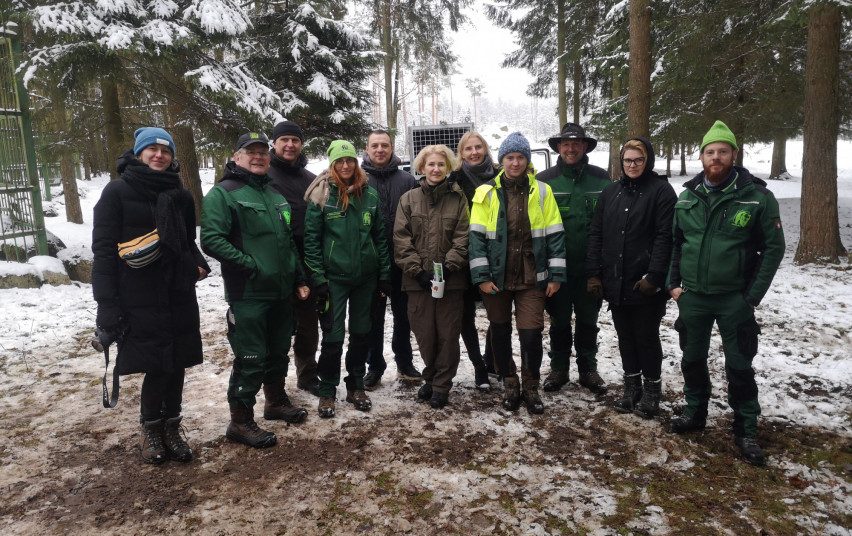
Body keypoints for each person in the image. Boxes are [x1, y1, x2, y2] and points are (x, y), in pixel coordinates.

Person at [668, 120, 785, 466]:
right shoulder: (688, 196)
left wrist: (751, 297)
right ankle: (695, 411)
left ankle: (745, 427)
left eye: (722, 151)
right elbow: (677, 243)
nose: (715, 157)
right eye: (709, 152)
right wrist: (674, 285)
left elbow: (774, 249)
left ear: (734, 154)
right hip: (694, 298)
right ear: (702, 157)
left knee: (739, 365)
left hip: (735, 298)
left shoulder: (757, 197)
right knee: (691, 358)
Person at [92, 127, 209, 464]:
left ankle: (172, 426)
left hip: (178, 291)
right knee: (157, 365)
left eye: (166, 150)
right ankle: (151, 430)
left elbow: (188, 242)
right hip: (138, 295)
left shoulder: (181, 195)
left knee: (177, 363)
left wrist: (198, 265)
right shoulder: (116, 192)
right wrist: (107, 307)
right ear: (139, 153)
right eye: (152, 149)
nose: (159, 155)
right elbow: (102, 253)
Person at [201, 132, 310, 449]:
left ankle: (275, 403)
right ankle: (240, 421)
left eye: (263, 151)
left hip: (281, 292)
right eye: (251, 152)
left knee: (278, 351)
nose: (259, 156)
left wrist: (299, 277)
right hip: (248, 294)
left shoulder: (274, 195)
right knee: (251, 357)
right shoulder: (224, 194)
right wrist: (249, 264)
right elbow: (211, 239)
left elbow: (288, 242)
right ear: (237, 157)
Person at [468, 132, 566, 414]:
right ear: (502, 160)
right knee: (499, 331)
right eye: (509, 157)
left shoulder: (543, 192)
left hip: (532, 277)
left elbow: (556, 234)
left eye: (520, 157)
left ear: (527, 160)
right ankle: (510, 384)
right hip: (496, 279)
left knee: (531, 335)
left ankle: (531, 387)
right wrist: (482, 277)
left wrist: (556, 276)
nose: (515, 163)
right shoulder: (485, 193)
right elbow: (475, 239)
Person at [586, 138, 677, 418]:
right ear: (621, 162)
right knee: (625, 336)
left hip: (645, 282)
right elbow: (597, 234)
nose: (633, 165)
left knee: (646, 337)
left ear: (647, 160)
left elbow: (666, 236)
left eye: (638, 160)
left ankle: (651, 390)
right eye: (628, 160)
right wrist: (594, 274)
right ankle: (631, 386)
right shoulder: (610, 193)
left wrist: (655, 275)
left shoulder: (661, 191)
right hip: (616, 279)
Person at [303, 140, 392, 418]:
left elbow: (380, 238)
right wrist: (317, 277)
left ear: (356, 162)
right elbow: (312, 241)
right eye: (340, 161)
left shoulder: (370, 195)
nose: (345, 165)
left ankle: (355, 385)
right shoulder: (322, 195)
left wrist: (384, 275)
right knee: (333, 336)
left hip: (366, 278)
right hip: (334, 279)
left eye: (350, 160)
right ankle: (328, 389)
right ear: (332, 164)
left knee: (361, 333)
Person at [538, 122, 612, 395]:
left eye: (576, 143)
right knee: (558, 321)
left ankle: (588, 369)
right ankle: (558, 369)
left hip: (590, 269)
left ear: (585, 146)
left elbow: (610, 224)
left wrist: (602, 268)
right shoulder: (544, 181)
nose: (571, 148)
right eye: (565, 144)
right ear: (558, 147)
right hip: (557, 270)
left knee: (588, 322)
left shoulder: (602, 179)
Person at [394, 144, 469, 408]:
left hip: (451, 281)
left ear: (448, 168)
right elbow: (401, 239)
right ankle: (430, 376)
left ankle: (441, 386)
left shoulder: (459, 200)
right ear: (422, 168)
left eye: (441, 165)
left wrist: (448, 267)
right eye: (431, 164)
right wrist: (418, 271)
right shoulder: (409, 199)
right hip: (417, 282)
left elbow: (463, 237)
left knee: (448, 334)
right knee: (425, 334)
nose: (436, 169)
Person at [361, 129, 421, 389]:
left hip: (403, 262)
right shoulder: (358, 180)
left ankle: (404, 362)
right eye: (375, 145)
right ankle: (374, 366)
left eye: (385, 145)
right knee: (372, 318)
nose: (380, 150)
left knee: (403, 315)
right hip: (371, 263)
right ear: (367, 148)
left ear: (392, 147)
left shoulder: (407, 180)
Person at [267, 120, 320, 396]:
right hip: (274, 262)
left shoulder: (310, 179)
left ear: (301, 145)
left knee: (308, 324)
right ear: (274, 144)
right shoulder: (264, 176)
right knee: (276, 327)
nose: (289, 145)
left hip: (307, 260)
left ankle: (307, 374)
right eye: (284, 140)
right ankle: (273, 385)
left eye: (295, 140)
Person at [448, 131, 499, 389]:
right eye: (469, 149)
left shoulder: (501, 176)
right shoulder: (454, 180)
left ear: (486, 149)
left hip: (496, 255)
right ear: (461, 153)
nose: (474, 152)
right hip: (464, 256)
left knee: (497, 313)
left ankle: (493, 360)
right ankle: (479, 366)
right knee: (465, 316)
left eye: (479, 147)